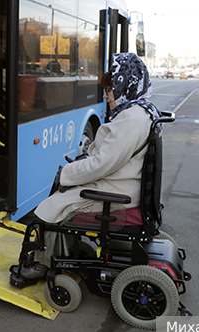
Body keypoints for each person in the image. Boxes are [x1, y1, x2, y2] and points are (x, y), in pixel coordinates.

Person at [19, 53, 160, 278]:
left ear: (126, 85)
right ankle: (59, 255)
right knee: (63, 197)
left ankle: (42, 263)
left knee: (55, 206)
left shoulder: (131, 119)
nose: (106, 96)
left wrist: (65, 173)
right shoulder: (141, 111)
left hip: (117, 195)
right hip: (122, 187)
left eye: (110, 90)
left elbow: (100, 164)